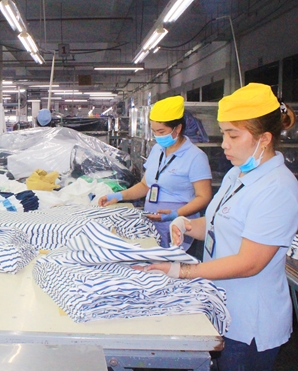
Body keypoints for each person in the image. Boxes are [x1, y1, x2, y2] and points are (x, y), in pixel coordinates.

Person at [146, 83, 298, 370]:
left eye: (233, 135)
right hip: (221, 306)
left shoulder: (278, 188)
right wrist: (187, 224)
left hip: (249, 323)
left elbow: (249, 263)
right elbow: (218, 224)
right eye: (224, 133)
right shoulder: (236, 174)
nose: (224, 143)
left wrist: (184, 271)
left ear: (264, 138)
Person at [98, 95, 212, 249]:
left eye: (161, 131)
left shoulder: (196, 157)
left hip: (178, 226)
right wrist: (118, 196)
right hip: (153, 222)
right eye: (154, 131)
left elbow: (204, 197)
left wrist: (175, 214)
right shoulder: (157, 149)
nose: (157, 136)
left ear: (177, 128)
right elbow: (145, 185)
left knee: (172, 267)